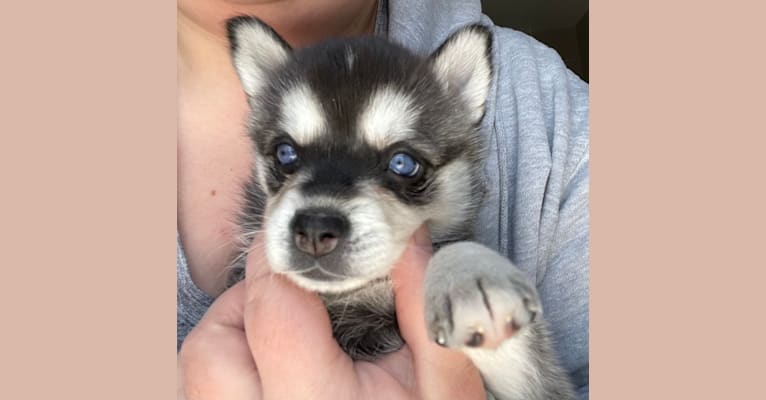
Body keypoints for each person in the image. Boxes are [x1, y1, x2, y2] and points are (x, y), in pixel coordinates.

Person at [177, 0, 589, 399]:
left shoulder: (561, 123)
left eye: (403, 164)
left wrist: (464, 269)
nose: (318, 223)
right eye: (288, 156)